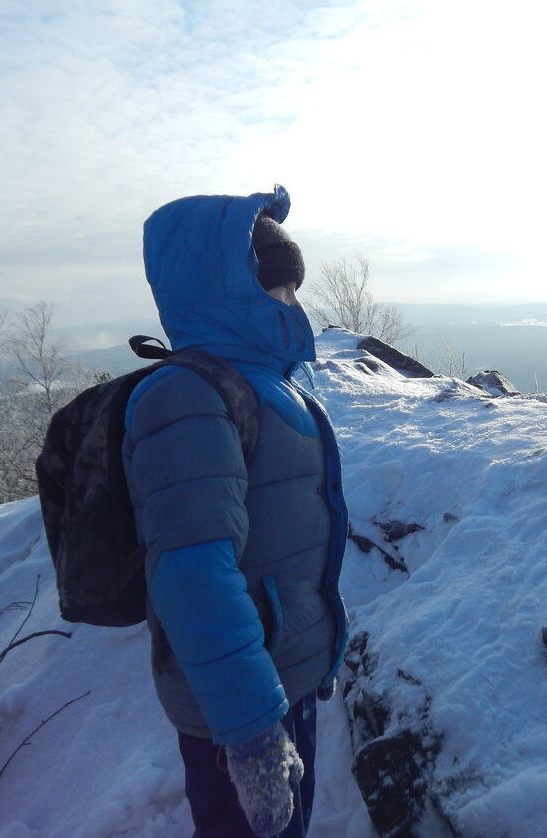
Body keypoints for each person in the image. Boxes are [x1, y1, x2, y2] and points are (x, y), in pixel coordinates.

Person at [121, 185, 348, 837]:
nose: (293, 304)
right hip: (240, 710)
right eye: (280, 286)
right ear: (230, 287)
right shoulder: (186, 396)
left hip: (276, 680)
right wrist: (250, 735)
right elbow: (192, 573)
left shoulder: (264, 383)